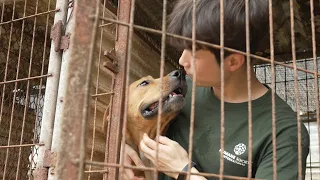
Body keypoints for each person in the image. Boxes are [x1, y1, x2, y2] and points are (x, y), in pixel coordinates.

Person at [123, 0, 310, 179]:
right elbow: (134, 120)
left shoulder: (284, 132)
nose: (182, 60)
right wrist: (123, 150)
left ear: (233, 61)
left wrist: (185, 172)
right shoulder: (182, 92)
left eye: (194, 53)